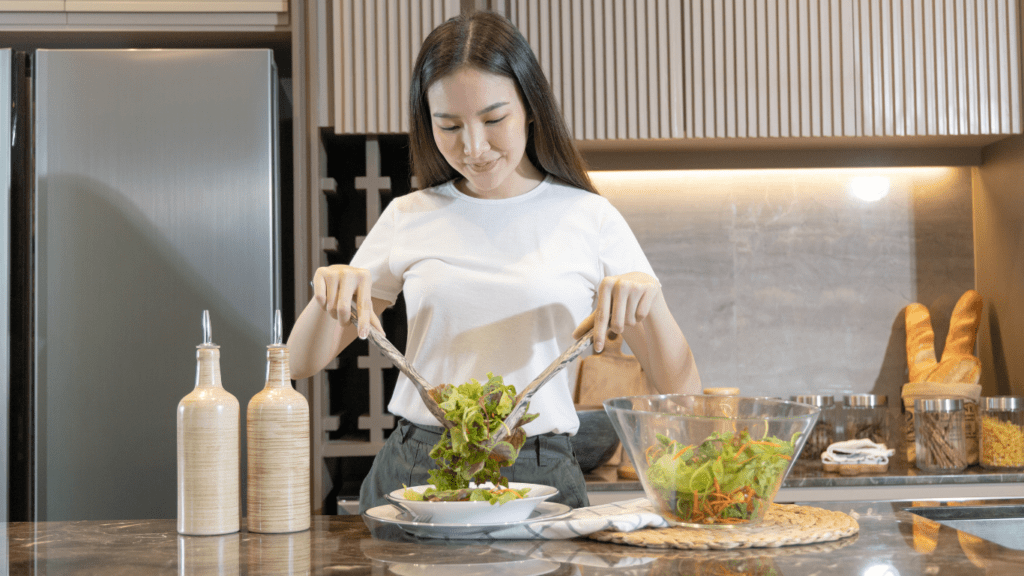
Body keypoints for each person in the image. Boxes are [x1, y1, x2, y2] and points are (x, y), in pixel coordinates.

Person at [287, 10, 701, 514]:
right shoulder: (409, 215)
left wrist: (647, 299)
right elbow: (300, 362)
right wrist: (327, 293)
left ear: (530, 107)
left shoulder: (588, 216)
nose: (474, 147)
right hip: (418, 464)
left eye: (493, 119)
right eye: (449, 126)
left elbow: (679, 387)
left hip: (538, 466)